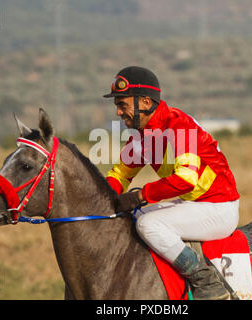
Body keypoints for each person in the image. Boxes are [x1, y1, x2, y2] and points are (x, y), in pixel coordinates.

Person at [103, 66, 240, 300]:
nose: (118, 112)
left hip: (219, 208)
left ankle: (205, 280)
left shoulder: (179, 125)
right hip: (193, 204)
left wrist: (139, 196)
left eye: (122, 104)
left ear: (145, 102)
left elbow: (186, 180)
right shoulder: (143, 135)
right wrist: (102, 200)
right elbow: (120, 175)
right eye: (117, 105)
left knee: (148, 224)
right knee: (132, 219)